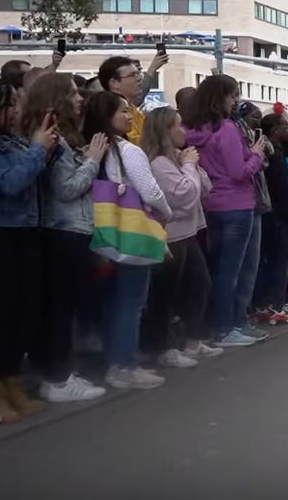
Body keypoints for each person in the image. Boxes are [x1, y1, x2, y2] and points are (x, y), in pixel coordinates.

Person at [24, 74, 110, 402]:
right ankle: (59, 379)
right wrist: (92, 160)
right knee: (62, 310)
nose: (80, 99)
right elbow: (68, 188)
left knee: (62, 308)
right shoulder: (55, 141)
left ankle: (56, 374)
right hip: (65, 231)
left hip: (69, 231)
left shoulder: (61, 140)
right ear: (57, 99)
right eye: (73, 94)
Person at [82, 91, 173, 389]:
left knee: (109, 301)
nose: (129, 115)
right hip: (130, 233)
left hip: (98, 232)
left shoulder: (88, 149)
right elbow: (150, 192)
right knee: (131, 301)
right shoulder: (127, 151)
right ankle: (124, 364)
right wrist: (166, 213)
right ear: (107, 116)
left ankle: (112, 360)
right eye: (122, 110)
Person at [183, 75, 267, 347]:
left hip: (210, 203)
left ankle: (220, 325)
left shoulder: (191, 130)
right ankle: (226, 327)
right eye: (232, 95)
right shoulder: (227, 129)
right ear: (220, 98)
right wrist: (256, 154)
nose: (236, 100)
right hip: (237, 204)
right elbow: (239, 172)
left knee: (218, 268)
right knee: (232, 270)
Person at [0, 79, 57, 423]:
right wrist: (37, 150)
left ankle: (10, 379)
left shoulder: (15, 142)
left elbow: (35, 176)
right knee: (2, 314)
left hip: (26, 231)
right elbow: (9, 183)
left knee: (23, 310)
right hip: (1, 234)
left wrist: (48, 148)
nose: (19, 110)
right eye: (12, 104)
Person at [141, 106, 222, 366]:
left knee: (199, 285)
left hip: (188, 231)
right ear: (165, 131)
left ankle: (193, 340)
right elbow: (185, 195)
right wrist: (188, 166)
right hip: (170, 234)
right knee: (166, 293)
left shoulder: (175, 159)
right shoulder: (158, 164)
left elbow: (205, 188)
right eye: (177, 125)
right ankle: (162, 347)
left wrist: (190, 166)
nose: (183, 131)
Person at [253, 114, 288, 325]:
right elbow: (282, 188)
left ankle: (265, 304)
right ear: (275, 130)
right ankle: (276, 303)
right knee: (279, 261)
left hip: (270, 214)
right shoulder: (274, 154)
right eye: (285, 126)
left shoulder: (271, 151)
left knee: (269, 261)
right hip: (279, 215)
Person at [97, 53, 167, 145]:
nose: (139, 79)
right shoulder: (110, 113)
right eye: (132, 75)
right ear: (114, 83)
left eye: (138, 73)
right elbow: (143, 144)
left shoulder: (134, 110)